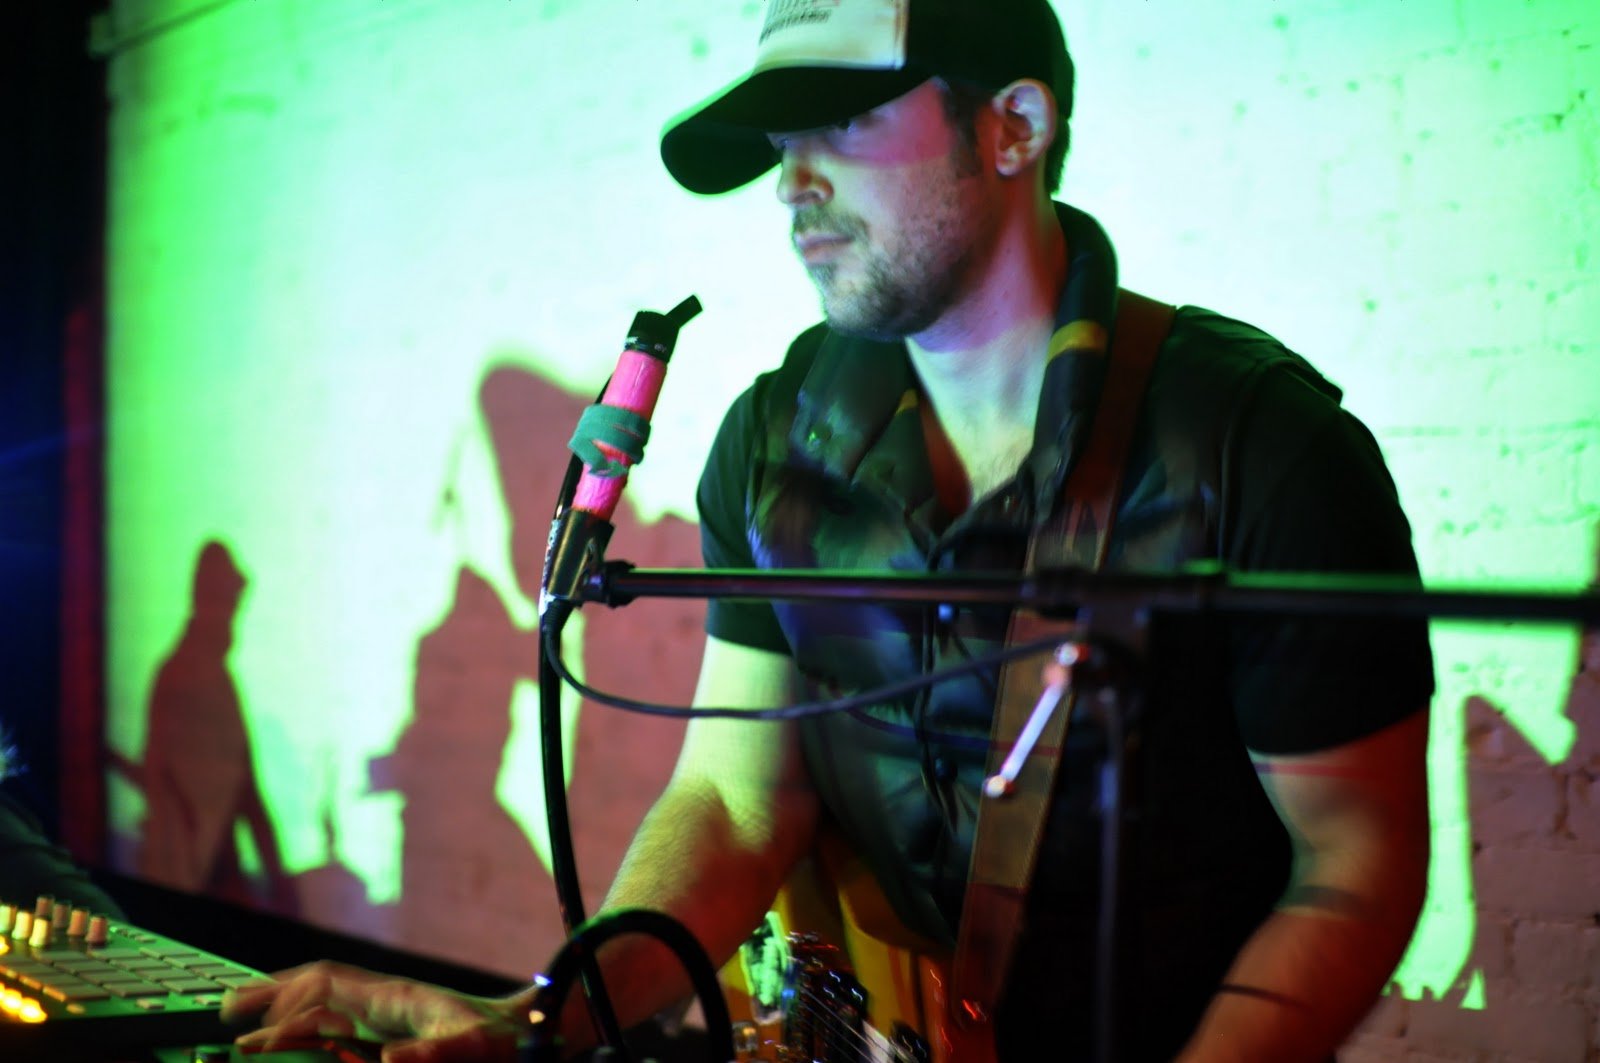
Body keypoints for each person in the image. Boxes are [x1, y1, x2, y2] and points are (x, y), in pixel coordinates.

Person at [223, 1, 1435, 1060]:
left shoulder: (1257, 445)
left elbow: (1355, 860)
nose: (792, 182)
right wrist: (537, 1021)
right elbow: (736, 801)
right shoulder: (773, 444)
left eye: (844, 121)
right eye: (782, 138)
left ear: (1013, 126)